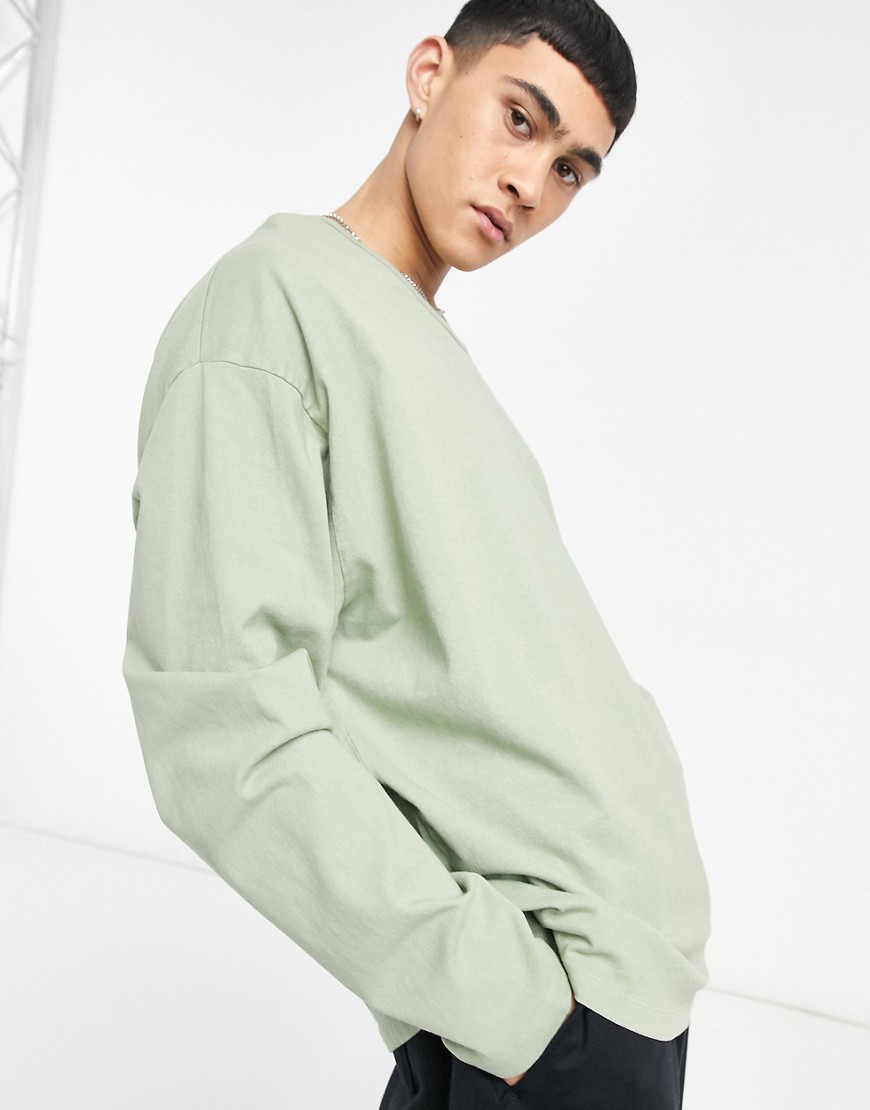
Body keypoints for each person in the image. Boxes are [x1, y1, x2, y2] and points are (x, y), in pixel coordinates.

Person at [122, 1, 711, 1106]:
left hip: (619, 994)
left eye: (571, 170)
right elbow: (225, 723)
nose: (530, 184)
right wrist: (509, 1005)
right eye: (520, 119)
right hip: (540, 1021)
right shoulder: (271, 306)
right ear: (430, 74)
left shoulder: (415, 337)